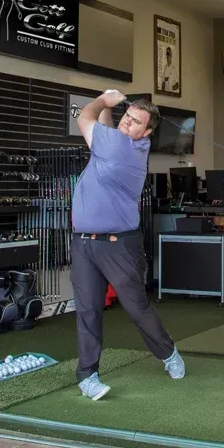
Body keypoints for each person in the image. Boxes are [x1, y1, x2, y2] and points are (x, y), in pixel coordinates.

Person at [71, 89, 184, 400]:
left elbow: (85, 118)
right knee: (88, 310)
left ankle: (169, 353)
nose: (127, 123)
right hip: (84, 243)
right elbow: (107, 128)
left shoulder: (124, 149)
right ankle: (88, 376)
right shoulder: (118, 141)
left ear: (146, 133)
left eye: (135, 122)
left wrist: (103, 100)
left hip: (119, 245)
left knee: (136, 307)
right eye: (127, 116)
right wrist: (111, 111)